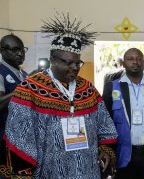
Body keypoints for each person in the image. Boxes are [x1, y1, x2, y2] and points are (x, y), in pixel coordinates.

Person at [4, 14, 118, 178]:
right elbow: (19, 137)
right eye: (68, 62)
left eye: (77, 63)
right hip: (50, 172)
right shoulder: (30, 89)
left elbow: (105, 126)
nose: (74, 68)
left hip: (87, 171)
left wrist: (106, 150)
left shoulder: (87, 89)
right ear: (52, 60)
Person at [103, 48, 144, 179]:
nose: (135, 62)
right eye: (130, 59)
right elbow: (106, 120)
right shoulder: (112, 87)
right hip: (125, 153)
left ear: (143, 62)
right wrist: (107, 150)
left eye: (139, 59)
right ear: (124, 63)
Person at [0, 34, 28, 141]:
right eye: (15, 49)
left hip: (22, 135)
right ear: (2, 50)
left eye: (22, 49)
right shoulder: (1, 72)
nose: (20, 53)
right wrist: (25, 86)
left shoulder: (24, 74)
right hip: (6, 136)